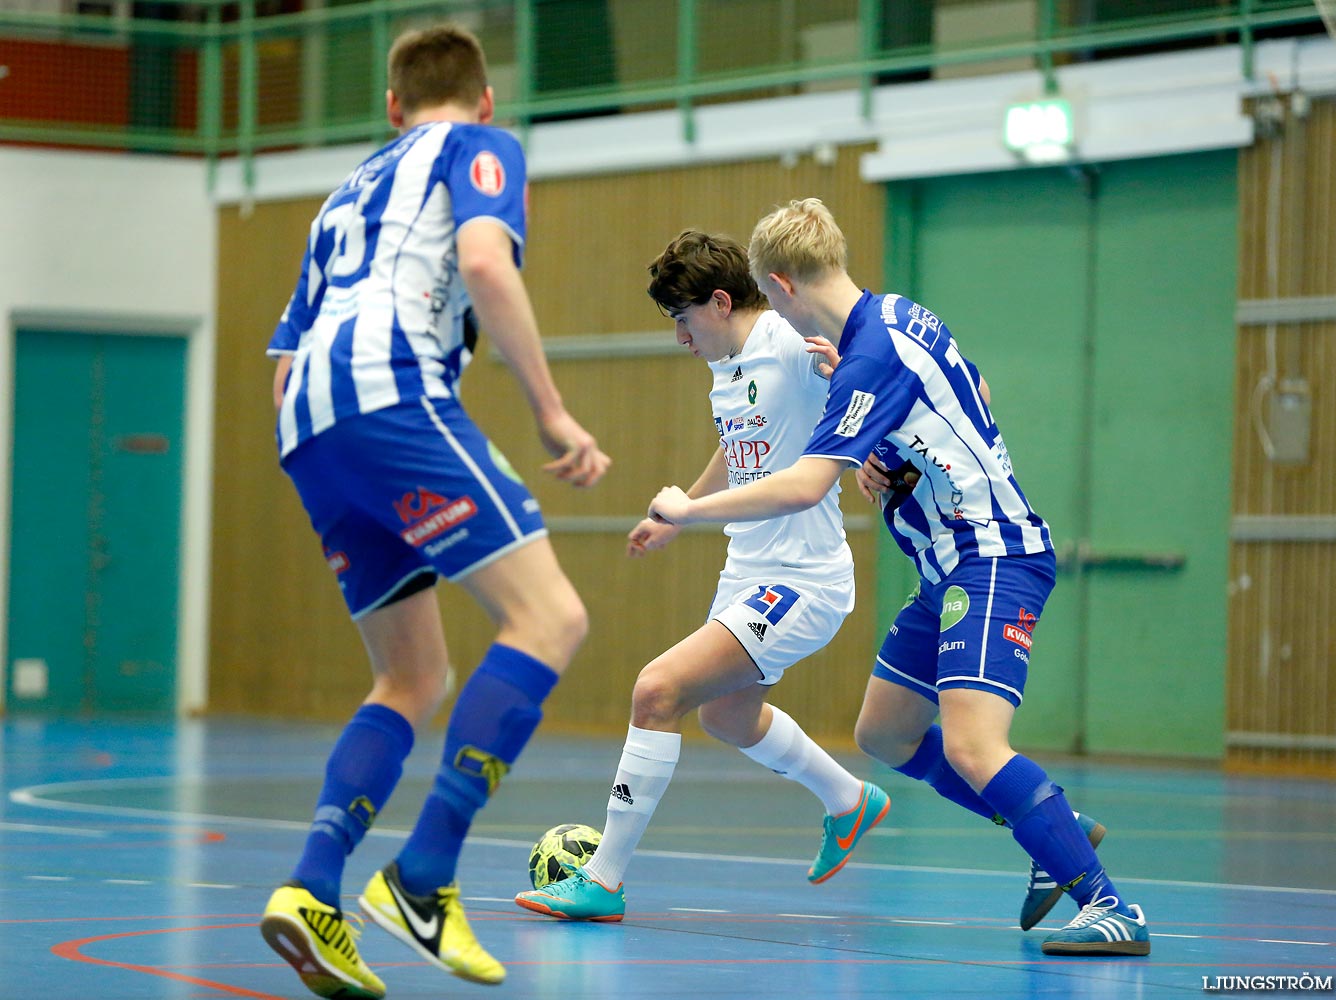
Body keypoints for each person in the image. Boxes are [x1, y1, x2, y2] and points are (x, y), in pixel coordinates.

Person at [646, 199, 1148, 956]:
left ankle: (1110, 906)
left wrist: (690, 510)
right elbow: (970, 390)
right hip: (946, 567)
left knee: (977, 747)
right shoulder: (894, 320)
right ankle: (1055, 828)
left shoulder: (866, 357)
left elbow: (807, 484)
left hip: (991, 560)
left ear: (779, 286)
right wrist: (898, 455)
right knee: (885, 731)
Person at [257, 24, 611, 999]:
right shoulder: (478, 147)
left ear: (391, 107)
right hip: (390, 393)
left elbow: (286, 358)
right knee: (553, 616)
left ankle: (313, 885)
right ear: (486, 100)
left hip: (306, 426)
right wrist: (551, 412)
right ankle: (423, 875)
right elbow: (488, 264)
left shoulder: (342, 196)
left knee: (412, 674)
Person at [513, 230, 888, 922]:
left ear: (721, 302)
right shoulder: (726, 363)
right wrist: (676, 515)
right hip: (747, 567)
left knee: (657, 690)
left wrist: (860, 415)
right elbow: (740, 447)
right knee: (727, 715)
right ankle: (848, 799)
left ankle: (603, 879)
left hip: (803, 578)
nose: (681, 339)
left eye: (684, 321)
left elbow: (867, 389)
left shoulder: (785, 341)